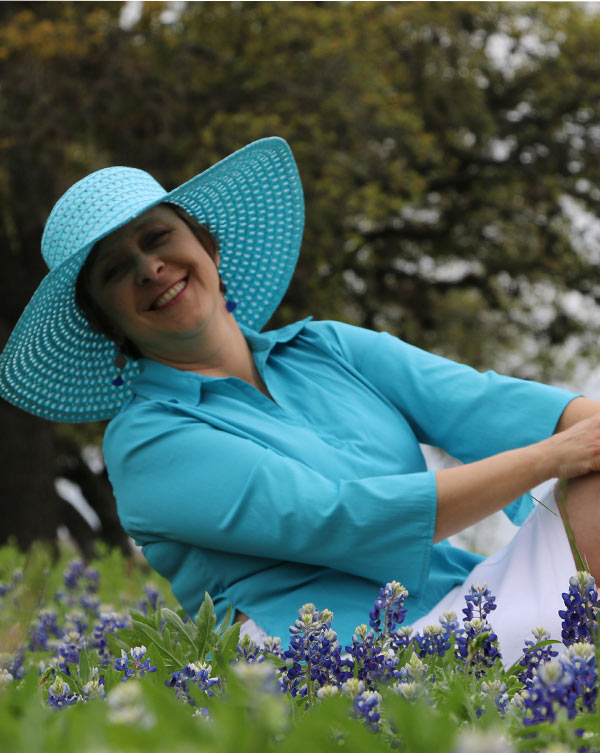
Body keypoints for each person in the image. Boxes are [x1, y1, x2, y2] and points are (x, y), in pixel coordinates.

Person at [2, 136, 600, 666]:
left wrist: (576, 436)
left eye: (158, 238)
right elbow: (339, 518)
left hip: (481, 598)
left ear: (208, 247)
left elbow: (492, 405)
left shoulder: (327, 347)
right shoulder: (145, 441)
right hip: (349, 661)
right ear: (106, 320)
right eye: (116, 270)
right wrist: (555, 456)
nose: (150, 267)